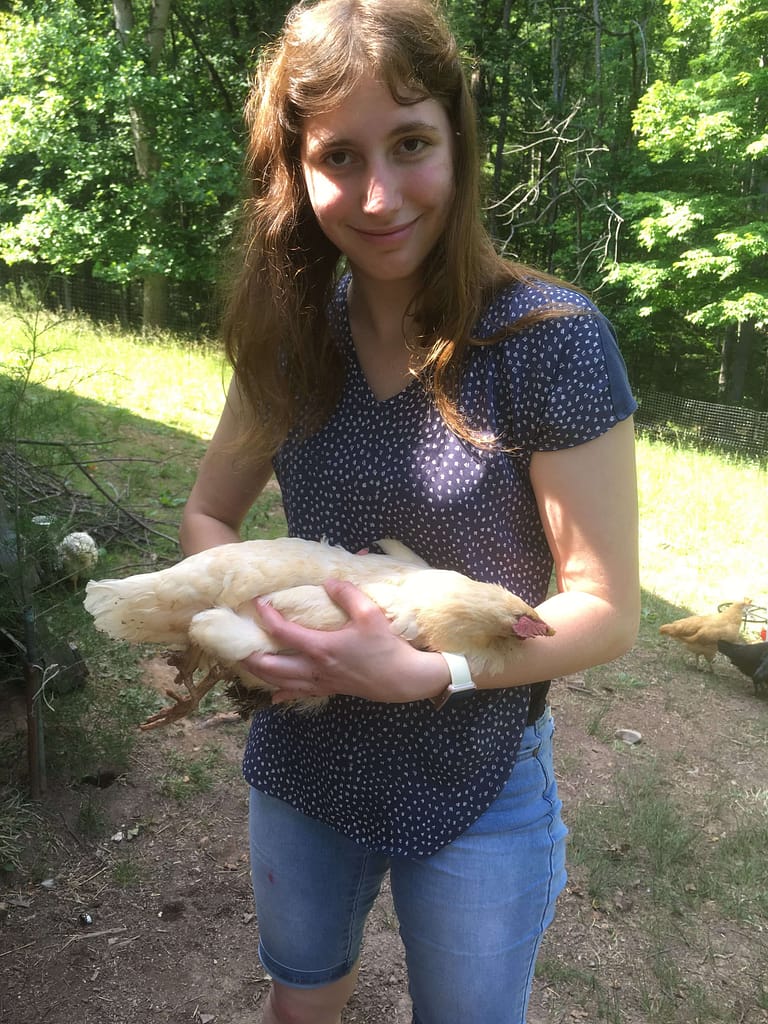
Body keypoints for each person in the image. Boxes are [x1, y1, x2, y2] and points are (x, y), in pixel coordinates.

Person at [179, 1, 640, 1021]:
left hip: (478, 772)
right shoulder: (291, 336)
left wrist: (433, 672)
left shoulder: (550, 341)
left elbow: (607, 607)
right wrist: (250, 640)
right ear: (294, 170)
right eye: (340, 155)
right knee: (302, 1000)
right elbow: (209, 519)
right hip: (304, 759)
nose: (379, 194)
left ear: (459, 145)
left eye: (412, 144)